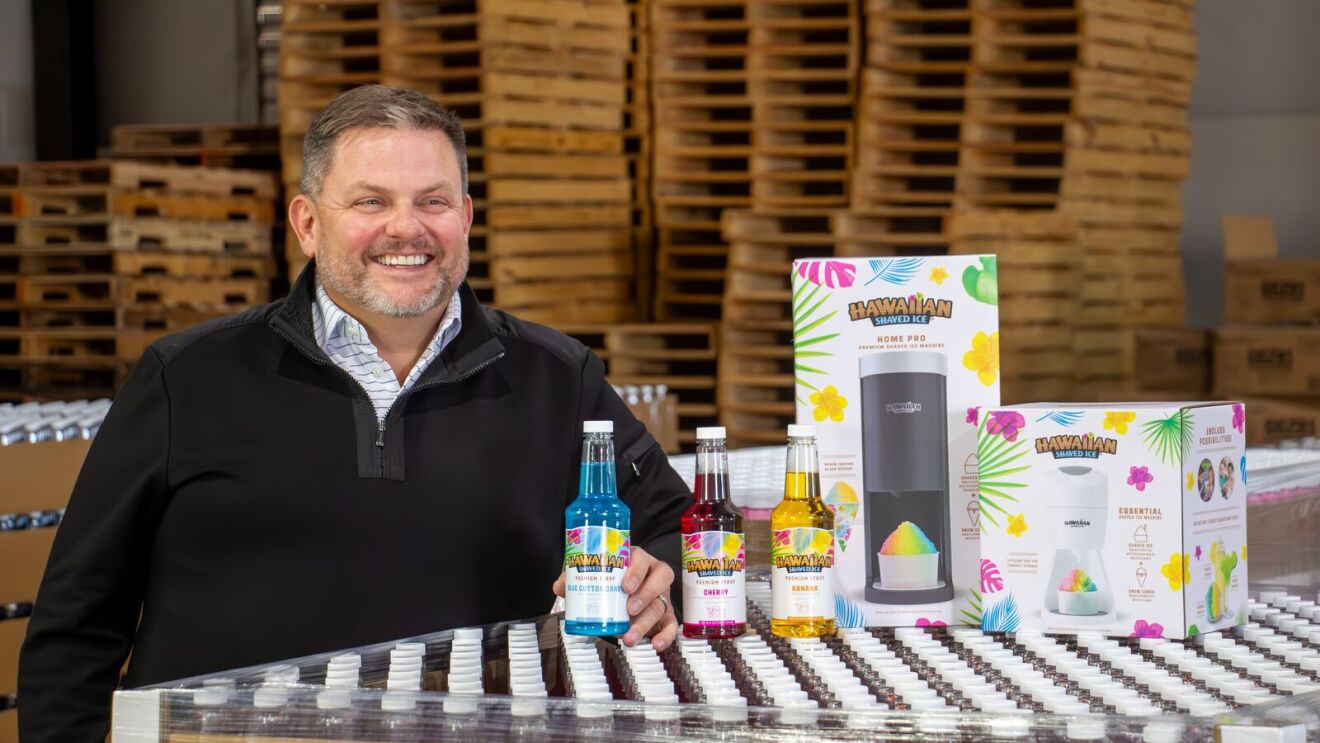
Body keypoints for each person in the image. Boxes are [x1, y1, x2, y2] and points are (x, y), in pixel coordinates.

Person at [18, 85, 688, 741]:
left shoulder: (557, 377)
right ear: (308, 222)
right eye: (372, 201)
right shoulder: (185, 379)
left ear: (466, 217)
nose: (408, 227)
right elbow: (77, 624)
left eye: (434, 201)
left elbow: (680, 530)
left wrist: (653, 578)